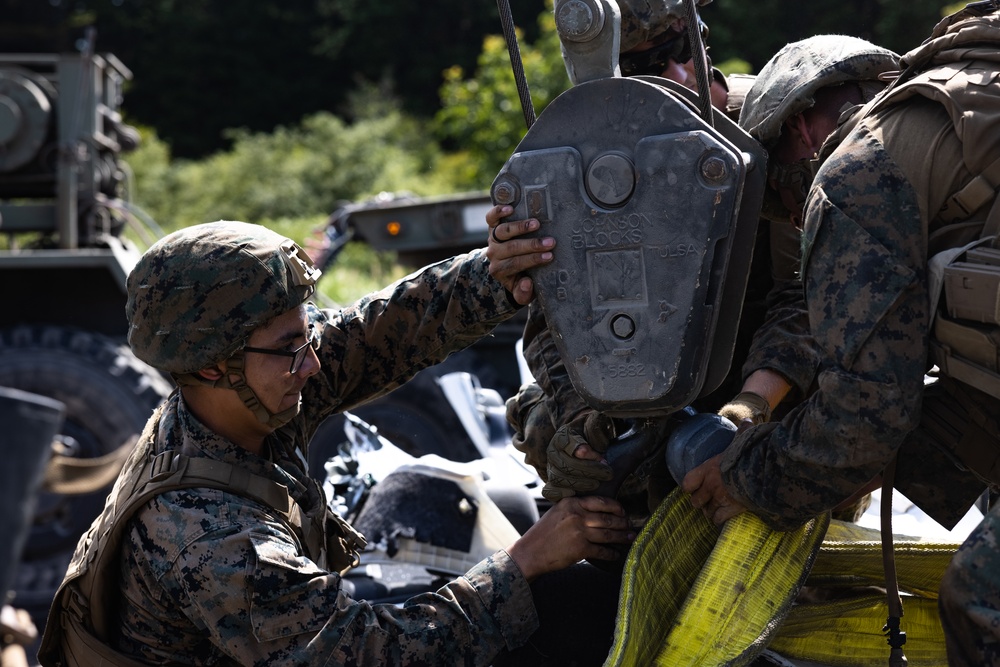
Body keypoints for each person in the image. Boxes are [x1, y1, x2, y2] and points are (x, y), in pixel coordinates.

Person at [37, 218, 634, 666]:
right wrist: (524, 561)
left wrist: (495, 275)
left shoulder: (246, 395)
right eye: (291, 346)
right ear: (213, 366)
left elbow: (379, 334)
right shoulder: (209, 535)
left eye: (306, 333)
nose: (315, 363)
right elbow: (368, 654)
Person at [679, 4, 1000, 664]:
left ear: (797, 128)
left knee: (983, 600)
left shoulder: (855, 172)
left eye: (785, 203)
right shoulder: (953, 118)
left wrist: (747, 477)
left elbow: (862, 421)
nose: (797, 219)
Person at [505, 26, 898, 518]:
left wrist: (751, 406)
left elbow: (808, 300)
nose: (679, 74)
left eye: (686, 52)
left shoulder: (776, 125)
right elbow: (553, 319)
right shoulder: (586, 151)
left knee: (821, 419)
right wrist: (583, 421)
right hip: (650, 372)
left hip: (771, 369)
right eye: (647, 68)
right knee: (549, 426)